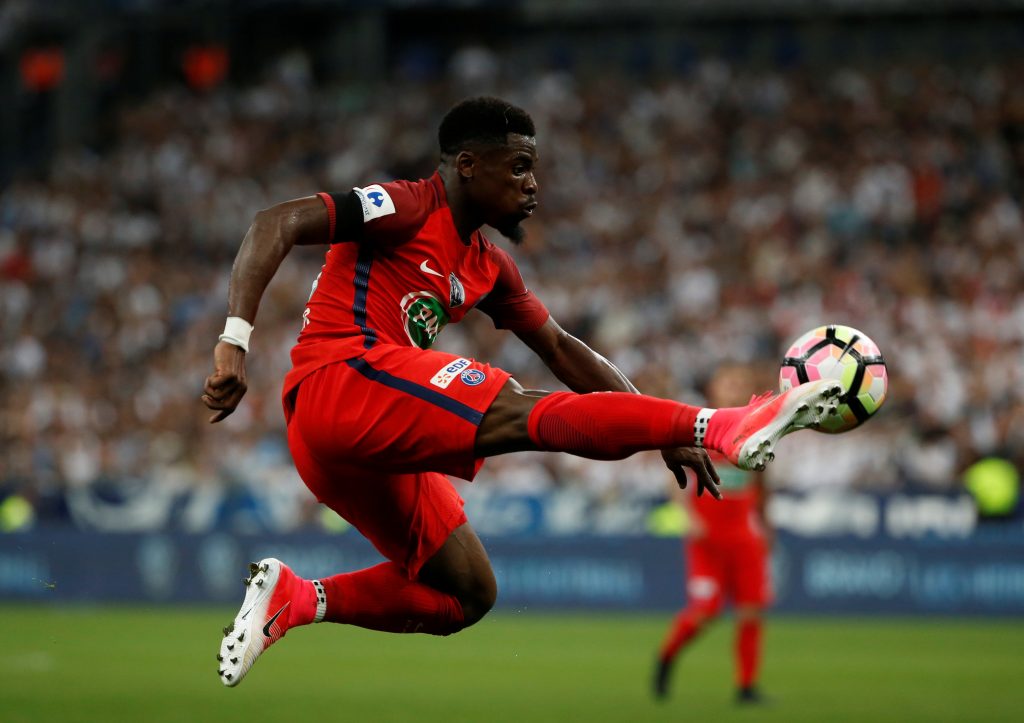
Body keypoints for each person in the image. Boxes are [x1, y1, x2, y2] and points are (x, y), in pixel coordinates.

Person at [202, 96, 840, 687]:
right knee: (519, 412)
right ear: (469, 165)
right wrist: (235, 339)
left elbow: (563, 349)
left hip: (355, 447)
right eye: (520, 167)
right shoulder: (405, 205)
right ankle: (725, 424)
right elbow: (275, 221)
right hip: (340, 381)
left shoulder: (486, 264)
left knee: (466, 593)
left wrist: (660, 434)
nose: (533, 184)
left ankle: (299, 598)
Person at [653, 363, 774, 705]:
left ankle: (746, 687)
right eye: (728, 382)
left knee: (752, 611)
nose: (734, 388)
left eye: (741, 382)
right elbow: (672, 474)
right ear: (714, 389)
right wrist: (686, 514)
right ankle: (667, 657)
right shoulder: (697, 428)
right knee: (705, 611)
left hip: (745, 538)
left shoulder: (759, 433)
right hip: (707, 538)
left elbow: (764, 484)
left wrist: (767, 525)